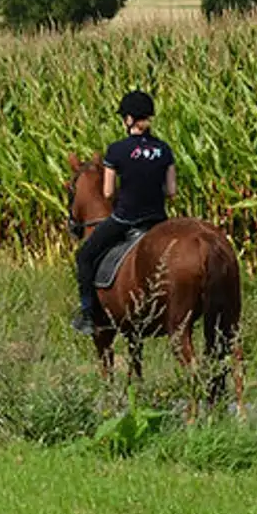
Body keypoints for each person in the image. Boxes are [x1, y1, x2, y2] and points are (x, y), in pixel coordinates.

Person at [72, 89, 178, 335]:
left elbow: (108, 193)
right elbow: (171, 191)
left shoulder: (117, 150)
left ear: (129, 119)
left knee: (85, 256)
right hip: (158, 220)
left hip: (126, 218)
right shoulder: (164, 149)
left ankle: (89, 315)